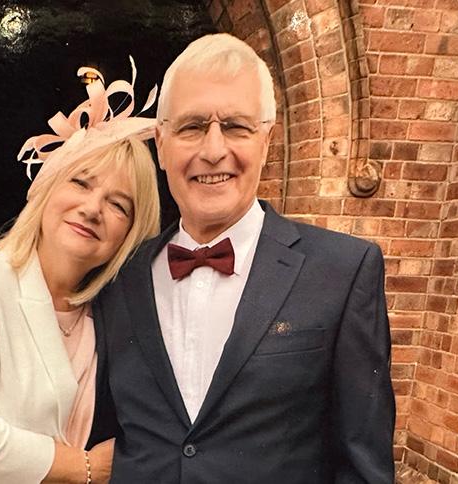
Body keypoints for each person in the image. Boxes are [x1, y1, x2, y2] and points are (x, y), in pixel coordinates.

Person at [92, 33, 396, 482]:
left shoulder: (342, 271)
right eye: (192, 126)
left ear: (266, 141)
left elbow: (362, 466)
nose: (213, 150)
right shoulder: (118, 277)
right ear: (161, 143)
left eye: (235, 126)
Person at [0, 61, 161, 484]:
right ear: (47, 188)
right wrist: (86, 469)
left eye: (119, 204)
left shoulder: (111, 315)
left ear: (130, 234)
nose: (93, 208)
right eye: (81, 183)